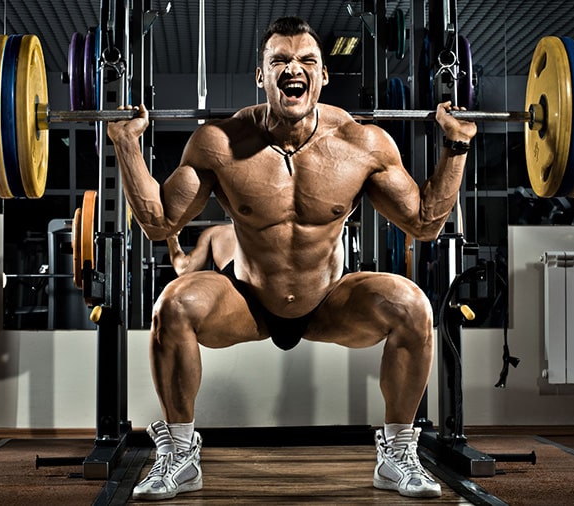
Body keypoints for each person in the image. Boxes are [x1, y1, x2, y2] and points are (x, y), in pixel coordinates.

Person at [107, 16, 476, 501]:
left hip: (328, 300)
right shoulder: (220, 143)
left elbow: (425, 223)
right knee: (173, 304)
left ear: (323, 76)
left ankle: (398, 454)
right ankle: (180, 454)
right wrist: (128, 146)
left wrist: (456, 144)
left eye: (306, 61)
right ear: (260, 76)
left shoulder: (360, 144)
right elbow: (159, 223)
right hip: (247, 299)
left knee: (412, 307)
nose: (292, 69)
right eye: (278, 60)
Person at [166, 223, 236, 275]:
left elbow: (184, 269)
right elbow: (184, 269)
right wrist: (172, 237)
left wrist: (171, 237)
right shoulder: (216, 233)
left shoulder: (217, 233)